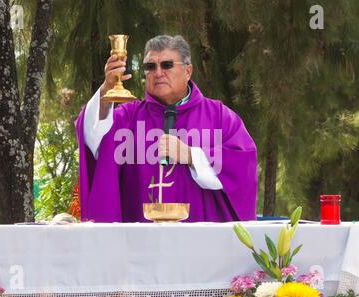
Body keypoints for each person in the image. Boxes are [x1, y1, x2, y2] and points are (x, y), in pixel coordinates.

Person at [75, 35, 257, 222]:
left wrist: (192, 156)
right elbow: (93, 138)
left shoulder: (218, 116)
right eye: (150, 67)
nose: (158, 73)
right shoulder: (128, 118)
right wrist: (106, 89)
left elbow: (244, 163)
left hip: (201, 242)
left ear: (188, 71)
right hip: (140, 242)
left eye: (167, 65)